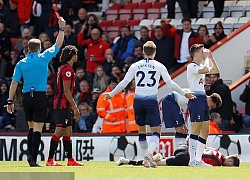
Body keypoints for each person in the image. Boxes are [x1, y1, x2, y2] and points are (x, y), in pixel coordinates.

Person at [102, 41, 195, 168]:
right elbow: (171, 84)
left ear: (143, 52)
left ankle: (145, 157)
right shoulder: (159, 66)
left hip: (138, 100)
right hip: (151, 101)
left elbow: (124, 82)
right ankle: (149, 154)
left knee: (141, 131)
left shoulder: (135, 65)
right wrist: (184, 94)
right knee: (156, 131)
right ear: (155, 52)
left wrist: (111, 94)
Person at [6, 17, 66, 167]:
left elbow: (14, 83)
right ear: (39, 48)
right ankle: (33, 159)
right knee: (38, 128)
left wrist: (10, 101)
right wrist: (62, 28)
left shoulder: (21, 62)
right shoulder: (43, 58)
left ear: (27, 50)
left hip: (26, 97)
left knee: (31, 126)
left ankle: (30, 157)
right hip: (39, 96)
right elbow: (58, 44)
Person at [46, 45, 82, 166]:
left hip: (64, 104)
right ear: (72, 55)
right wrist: (75, 107)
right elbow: (66, 91)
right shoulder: (67, 70)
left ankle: (70, 160)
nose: (77, 56)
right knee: (60, 131)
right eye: (75, 54)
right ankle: (50, 159)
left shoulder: (63, 68)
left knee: (68, 131)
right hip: (63, 105)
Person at [187, 44, 219, 167]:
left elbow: (215, 70)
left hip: (203, 99)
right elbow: (206, 70)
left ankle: (199, 160)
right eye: (201, 51)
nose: (203, 52)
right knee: (195, 131)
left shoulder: (201, 65)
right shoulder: (191, 66)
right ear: (196, 54)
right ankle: (192, 160)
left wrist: (211, 57)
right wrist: (206, 59)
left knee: (205, 131)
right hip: (196, 99)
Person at [116, 145, 240, 167]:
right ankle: (127, 161)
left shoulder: (216, 151)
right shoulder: (217, 161)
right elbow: (201, 163)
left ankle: (127, 161)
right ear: (229, 162)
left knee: (157, 160)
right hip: (186, 157)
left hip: (184, 149)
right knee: (155, 163)